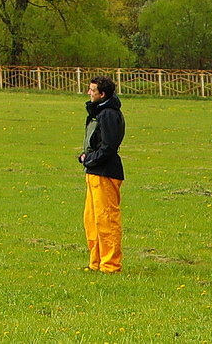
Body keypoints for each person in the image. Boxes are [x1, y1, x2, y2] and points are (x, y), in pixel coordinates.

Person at [79, 74, 124, 273]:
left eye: (92, 90)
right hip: (95, 172)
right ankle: (96, 262)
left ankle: (110, 265)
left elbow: (109, 147)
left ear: (102, 94)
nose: (89, 92)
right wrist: (86, 158)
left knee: (106, 219)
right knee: (92, 220)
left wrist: (90, 159)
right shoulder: (99, 111)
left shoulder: (108, 114)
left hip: (106, 173)